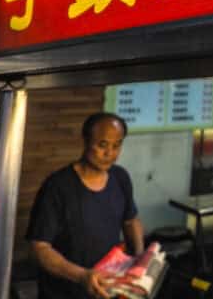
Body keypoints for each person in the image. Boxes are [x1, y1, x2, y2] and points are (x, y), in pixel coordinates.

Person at [27, 112, 144, 299]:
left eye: (117, 145)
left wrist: (140, 258)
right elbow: (39, 247)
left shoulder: (120, 177)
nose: (110, 154)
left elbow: (130, 220)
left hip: (106, 289)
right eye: (102, 145)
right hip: (63, 293)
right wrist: (81, 276)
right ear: (86, 141)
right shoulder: (57, 186)